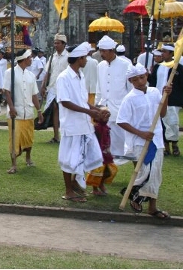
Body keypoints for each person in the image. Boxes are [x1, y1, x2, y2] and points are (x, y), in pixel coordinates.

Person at [116, 63, 171, 219]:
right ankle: (134, 194)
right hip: (140, 141)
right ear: (131, 82)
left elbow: (162, 113)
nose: (140, 81)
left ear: (146, 76)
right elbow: (121, 121)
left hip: (157, 139)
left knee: (156, 174)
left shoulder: (154, 92)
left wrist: (166, 96)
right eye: (135, 79)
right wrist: (140, 133)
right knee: (145, 172)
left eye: (142, 77)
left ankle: (151, 206)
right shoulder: (129, 99)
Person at [55, 42, 106, 202]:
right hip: (71, 125)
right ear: (79, 59)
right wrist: (89, 111)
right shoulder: (63, 77)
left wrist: (96, 110)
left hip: (84, 124)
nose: (87, 60)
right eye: (85, 57)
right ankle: (68, 190)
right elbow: (65, 102)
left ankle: (75, 184)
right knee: (69, 159)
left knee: (85, 156)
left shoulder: (81, 75)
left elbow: (83, 101)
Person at [3, 49, 43, 174]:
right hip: (16, 112)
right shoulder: (10, 73)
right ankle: (14, 164)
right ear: (24, 59)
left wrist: (39, 111)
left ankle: (28, 158)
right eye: (30, 57)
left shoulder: (31, 75)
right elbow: (6, 91)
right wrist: (12, 107)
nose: (32, 59)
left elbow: (34, 95)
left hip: (29, 111)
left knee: (29, 137)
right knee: (15, 138)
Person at [95, 35, 133, 164]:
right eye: (100, 51)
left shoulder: (125, 64)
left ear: (112, 50)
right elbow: (99, 87)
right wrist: (97, 105)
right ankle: (107, 171)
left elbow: (130, 89)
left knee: (126, 143)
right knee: (104, 144)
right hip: (104, 111)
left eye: (104, 51)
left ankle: (137, 171)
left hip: (120, 110)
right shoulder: (100, 66)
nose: (101, 54)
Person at [153, 43, 183, 157]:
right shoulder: (158, 66)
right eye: (162, 51)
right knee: (161, 124)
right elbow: (153, 81)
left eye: (165, 51)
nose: (163, 54)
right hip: (158, 98)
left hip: (172, 100)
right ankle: (165, 147)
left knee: (172, 122)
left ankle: (174, 145)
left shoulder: (178, 68)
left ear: (171, 53)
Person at [40, 33, 69, 143]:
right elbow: (48, 72)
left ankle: (65, 135)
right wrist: (43, 85)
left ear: (63, 44)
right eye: (55, 43)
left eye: (58, 43)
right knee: (54, 109)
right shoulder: (52, 57)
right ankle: (56, 135)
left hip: (64, 87)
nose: (55, 45)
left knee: (64, 111)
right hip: (52, 87)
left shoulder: (68, 57)